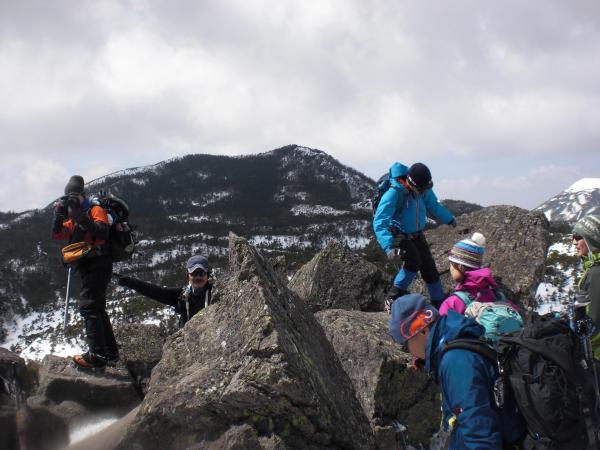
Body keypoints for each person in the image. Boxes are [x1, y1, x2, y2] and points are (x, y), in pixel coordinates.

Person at [389, 294, 525, 449]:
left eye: (405, 346)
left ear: (422, 331)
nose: (409, 353)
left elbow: (479, 435)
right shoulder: (454, 343)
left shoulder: (455, 361)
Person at [52, 175, 118, 370]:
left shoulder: (95, 210)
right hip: (88, 266)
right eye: (69, 197)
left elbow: (102, 231)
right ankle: (110, 353)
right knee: (97, 308)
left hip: (99, 263)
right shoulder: (73, 218)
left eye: (75, 196)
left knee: (89, 307)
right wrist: (59, 213)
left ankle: (97, 355)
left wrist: (81, 216)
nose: (72, 200)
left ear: (83, 195)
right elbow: (57, 234)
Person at [373, 162, 455, 310]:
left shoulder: (422, 188)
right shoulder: (394, 192)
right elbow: (379, 221)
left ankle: (439, 302)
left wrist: (449, 218)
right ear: (411, 183)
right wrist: (388, 246)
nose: (422, 193)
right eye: (420, 189)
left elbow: (433, 205)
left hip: (416, 233)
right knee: (414, 262)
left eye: (424, 189)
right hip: (398, 233)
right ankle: (393, 297)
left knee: (429, 267)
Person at [115, 255, 215, 327]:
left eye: (202, 273)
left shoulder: (216, 292)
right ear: (187, 276)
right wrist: (131, 282)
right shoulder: (181, 295)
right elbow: (155, 292)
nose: (198, 277)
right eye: (194, 273)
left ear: (208, 275)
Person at [439, 232, 518, 316]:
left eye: (451, 265)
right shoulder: (494, 294)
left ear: (459, 266)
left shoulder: (452, 303)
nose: (450, 269)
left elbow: (441, 323)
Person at [572, 214, 600, 358]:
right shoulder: (593, 269)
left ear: (591, 238)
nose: (574, 242)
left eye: (578, 237)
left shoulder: (596, 273)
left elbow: (594, 323)